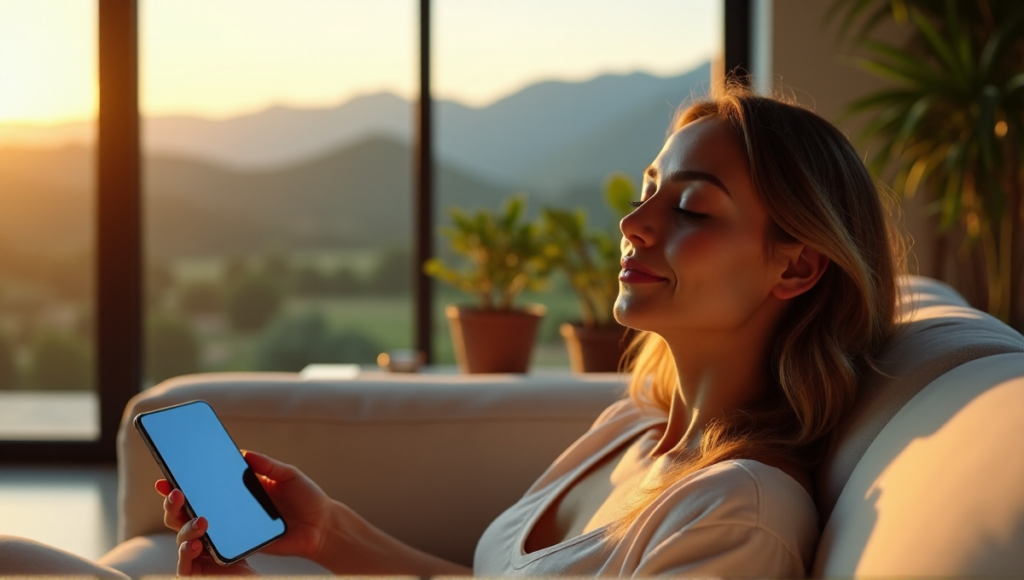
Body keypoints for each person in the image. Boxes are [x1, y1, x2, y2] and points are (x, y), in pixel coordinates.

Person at [0, 82, 905, 577]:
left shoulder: (740, 515)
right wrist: (333, 532)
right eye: (644, 195)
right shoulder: (631, 427)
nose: (634, 224)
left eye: (692, 210)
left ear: (796, 265)